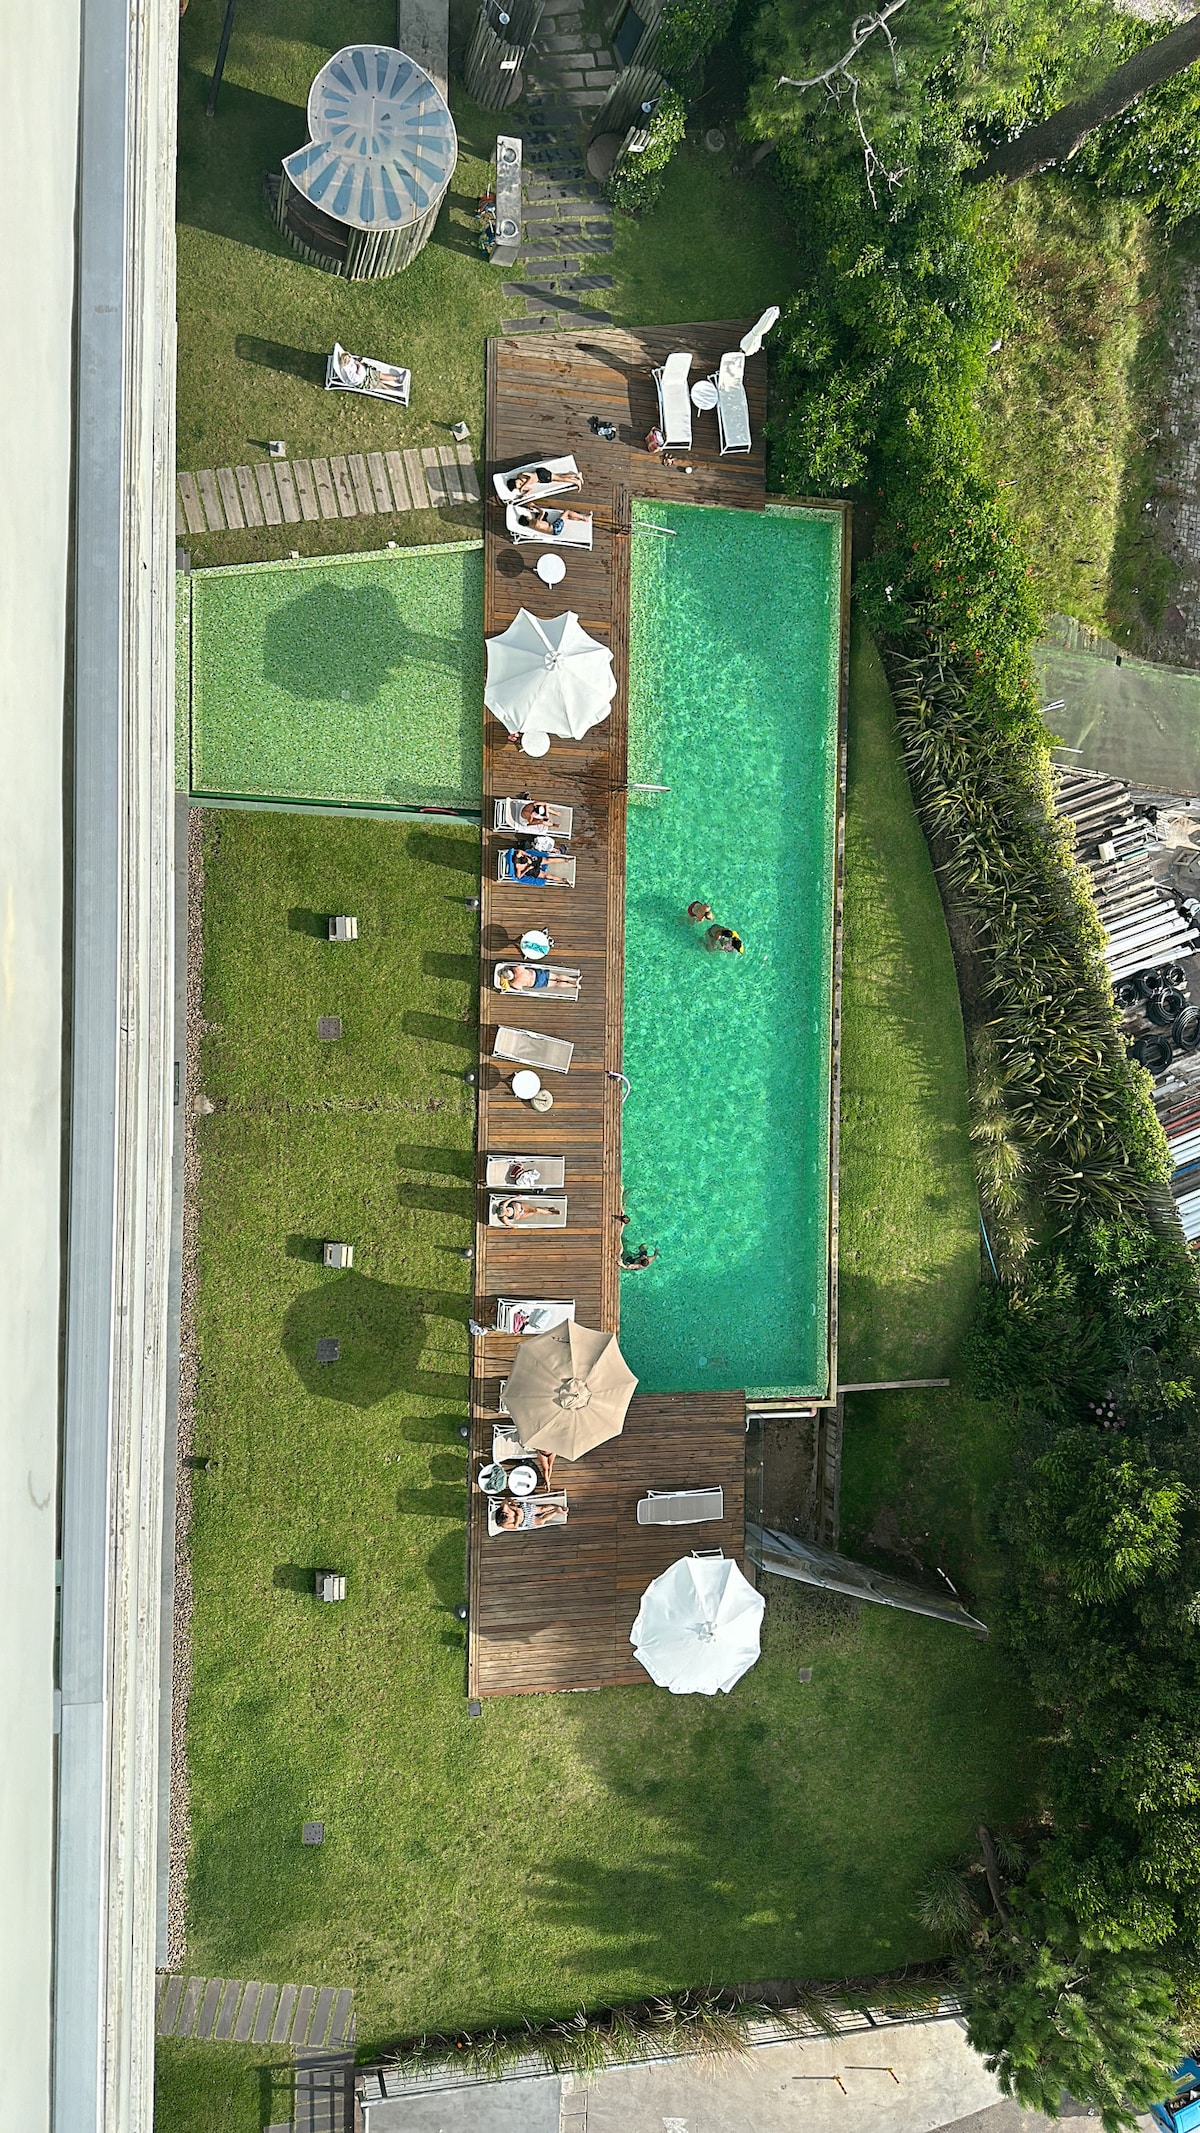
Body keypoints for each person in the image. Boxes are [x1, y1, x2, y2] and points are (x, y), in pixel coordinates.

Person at [497, 963, 575, 994]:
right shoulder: (517, 969)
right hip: (537, 974)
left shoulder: (514, 983)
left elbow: (520, 989)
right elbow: (521, 965)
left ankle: (574, 986)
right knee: (556, 976)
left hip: (535, 983)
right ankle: (574, 980)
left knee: (555, 984)